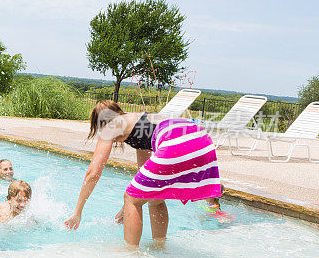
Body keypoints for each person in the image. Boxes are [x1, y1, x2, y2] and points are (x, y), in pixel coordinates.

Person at [63, 101, 222, 246]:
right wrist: (125, 210)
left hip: (177, 141)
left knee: (131, 199)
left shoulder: (111, 126)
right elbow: (145, 182)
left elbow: (93, 173)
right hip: (202, 140)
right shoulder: (138, 120)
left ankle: (130, 254)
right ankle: (159, 246)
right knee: (154, 196)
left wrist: (77, 212)